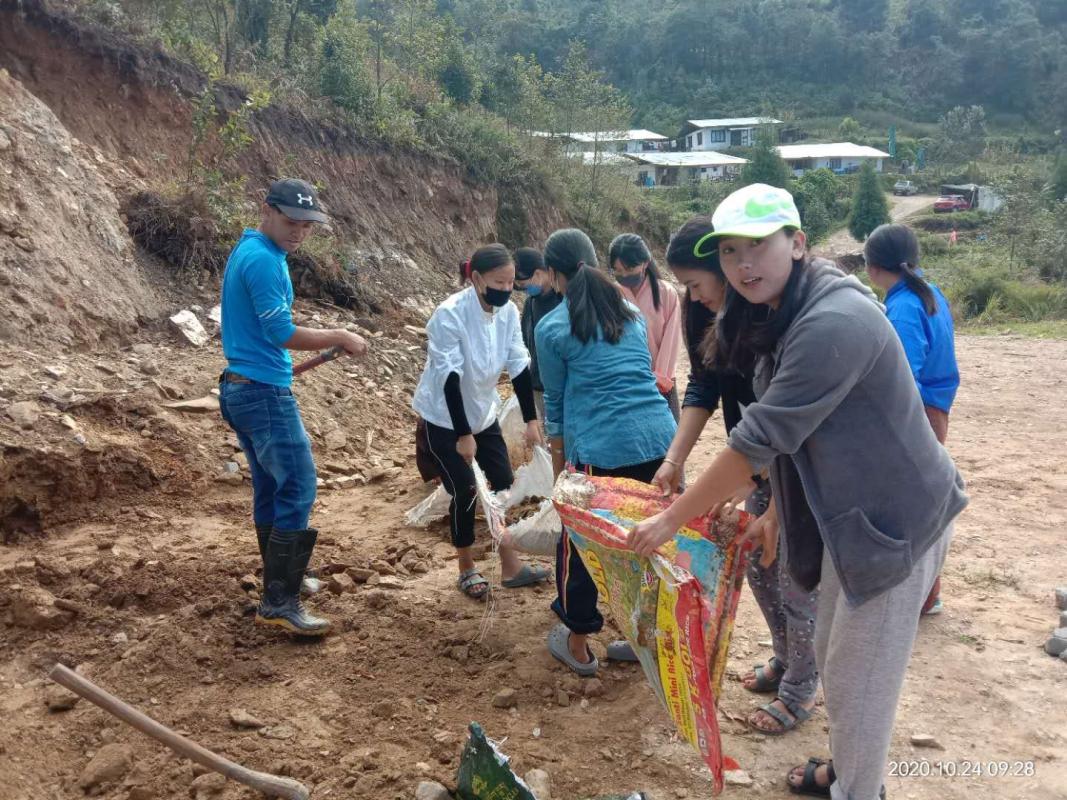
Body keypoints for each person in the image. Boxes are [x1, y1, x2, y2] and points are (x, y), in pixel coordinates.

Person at [628, 184, 967, 800]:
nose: (743, 264)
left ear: (799, 243)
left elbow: (759, 436)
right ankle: (847, 769)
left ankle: (858, 788)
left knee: (858, 683)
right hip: (852, 515)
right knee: (837, 659)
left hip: (897, 523)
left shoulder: (831, 321)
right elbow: (795, 437)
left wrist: (670, 520)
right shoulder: (780, 311)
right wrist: (779, 514)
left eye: (758, 246)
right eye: (730, 252)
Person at [654, 216, 819, 735]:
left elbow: (792, 429)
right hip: (759, 464)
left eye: (697, 284)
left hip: (795, 468)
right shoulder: (708, 317)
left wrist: (773, 508)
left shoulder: (774, 322)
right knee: (757, 565)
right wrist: (674, 459)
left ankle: (800, 691)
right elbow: (703, 389)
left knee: (796, 579)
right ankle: (785, 660)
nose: (693, 296)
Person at [219, 178, 369, 637]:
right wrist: (339, 336)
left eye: (307, 224)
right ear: (266, 210)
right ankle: (280, 601)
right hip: (262, 395)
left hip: (245, 388)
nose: (299, 231)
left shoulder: (256, 252)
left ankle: (280, 579)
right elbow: (281, 332)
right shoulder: (263, 261)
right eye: (291, 221)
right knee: (299, 486)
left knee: (271, 488)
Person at [535, 228, 677, 676]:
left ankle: (578, 645)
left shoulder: (552, 327)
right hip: (659, 441)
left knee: (578, 544)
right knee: (648, 544)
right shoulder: (630, 312)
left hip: (601, 449)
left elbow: (555, 405)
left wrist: (561, 471)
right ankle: (645, 641)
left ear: (555, 274)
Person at [412, 244, 551, 600]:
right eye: (498, 282)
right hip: (445, 417)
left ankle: (510, 565)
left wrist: (531, 421)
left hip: (483, 412)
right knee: (465, 490)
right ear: (476, 279)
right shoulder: (449, 315)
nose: (505, 289)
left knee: (503, 484)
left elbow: (519, 365)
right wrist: (462, 434)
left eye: (509, 283)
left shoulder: (507, 314)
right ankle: (466, 567)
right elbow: (449, 377)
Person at [865, 223, 960, 616]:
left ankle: (920, 594)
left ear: (871, 268)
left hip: (916, 414)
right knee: (924, 500)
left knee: (910, 505)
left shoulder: (903, 306)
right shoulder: (928, 293)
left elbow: (900, 375)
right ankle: (927, 593)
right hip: (934, 409)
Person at [607, 233, 683, 422]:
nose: (624, 275)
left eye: (630, 268)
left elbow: (672, 339)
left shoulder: (666, 293)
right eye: (617, 270)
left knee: (670, 441)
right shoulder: (611, 295)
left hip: (662, 382)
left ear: (645, 263)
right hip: (626, 383)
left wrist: (659, 377)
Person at [513, 246, 563, 425]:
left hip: (561, 388)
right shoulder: (531, 304)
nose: (525, 290)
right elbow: (525, 341)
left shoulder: (562, 301)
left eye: (525, 285)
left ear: (538, 273)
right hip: (537, 385)